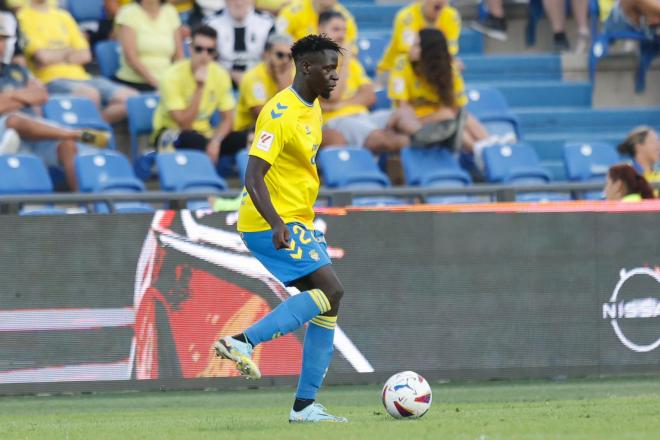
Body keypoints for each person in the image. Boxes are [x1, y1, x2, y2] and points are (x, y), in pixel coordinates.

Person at [213, 34, 347, 423]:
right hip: (269, 221)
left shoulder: (313, 107)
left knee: (328, 305)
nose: (334, 78)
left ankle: (304, 407)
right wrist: (276, 222)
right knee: (332, 290)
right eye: (328, 69)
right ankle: (242, 342)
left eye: (335, 70)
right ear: (306, 67)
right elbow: (253, 175)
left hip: (296, 220)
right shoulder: (279, 112)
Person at [0, 21, 109, 191]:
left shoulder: (16, 70)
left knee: (67, 145)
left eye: (2, 39)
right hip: (4, 132)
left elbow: (41, 95)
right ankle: (75, 133)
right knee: (14, 120)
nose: (1, 44)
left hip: (35, 134)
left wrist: (10, 96)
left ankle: (83, 203)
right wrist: (23, 96)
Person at [18, 0, 138, 124]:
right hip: (50, 79)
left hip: (82, 77)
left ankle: (92, 131)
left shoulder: (64, 16)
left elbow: (86, 55)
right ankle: (87, 135)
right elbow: (43, 58)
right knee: (90, 95)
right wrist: (69, 52)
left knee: (132, 98)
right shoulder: (22, 17)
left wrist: (55, 55)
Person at [318, 10, 412, 153]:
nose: (342, 35)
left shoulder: (353, 65)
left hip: (364, 116)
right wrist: (345, 61)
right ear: (320, 30)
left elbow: (369, 96)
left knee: (403, 114)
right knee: (383, 138)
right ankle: (425, 144)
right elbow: (333, 95)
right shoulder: (313, 63)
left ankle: (426, 137)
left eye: (344, 30)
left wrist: (340, 105)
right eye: (336, 29)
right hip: (337, 121)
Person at [152, 25, 244, 164]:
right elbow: (184, 123)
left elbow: (227, 119)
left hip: (205, 134)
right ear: (190, 48)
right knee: (194, 140)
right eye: (199, 49)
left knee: (243, 139)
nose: (204, 55)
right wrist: (199, 88)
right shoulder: (171, 75)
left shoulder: (221, 74)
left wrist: (216, 141)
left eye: (210, 50)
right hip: (171, 132)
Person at [388, 28, 489, 154]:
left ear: (429, 51)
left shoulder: (449, 70)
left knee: (461, 118)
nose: (411, 48)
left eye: (417, 45)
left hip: (444, 122)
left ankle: (487, 146)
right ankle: (479, 150)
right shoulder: (401, 64)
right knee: (450, 117)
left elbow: (458, 106)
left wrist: (443, 116)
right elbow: (402, 108)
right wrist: (440, 116)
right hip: (413, 123)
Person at [377, 0, 461, 79]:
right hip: (392, 70)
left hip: (428, 70)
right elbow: (413, 54)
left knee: (453, 69)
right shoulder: (407, 16)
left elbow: (449, 52)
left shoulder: (452, 17)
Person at [115, 0, 184, 92]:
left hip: (166, 81)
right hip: (136, 83)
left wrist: (177, 80)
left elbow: (179, 54)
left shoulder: (170, 11)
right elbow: (130, 57)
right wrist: (156, 83)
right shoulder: (128, 12)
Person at [205, 0, 275, 87]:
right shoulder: (210, 24)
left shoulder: (268, 24)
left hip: (259, 82)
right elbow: (205, 60)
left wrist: (250, 78)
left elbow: (273, 60)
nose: (239, 3)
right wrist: (230, 74)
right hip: (221, 82)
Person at [234, 33, 294, 133]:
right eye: (280, 55)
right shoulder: (253, 78)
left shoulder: (293, 73)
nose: (285, 60)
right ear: (267, 54)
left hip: (281, 129)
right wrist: (283, 90)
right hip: (248, 130)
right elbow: (263, 117)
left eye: (290, 56)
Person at [276, 0, 358, 48]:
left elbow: (351, 53)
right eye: (336, 29)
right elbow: (276, 46)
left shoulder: (346, 18)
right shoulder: (292, 12)